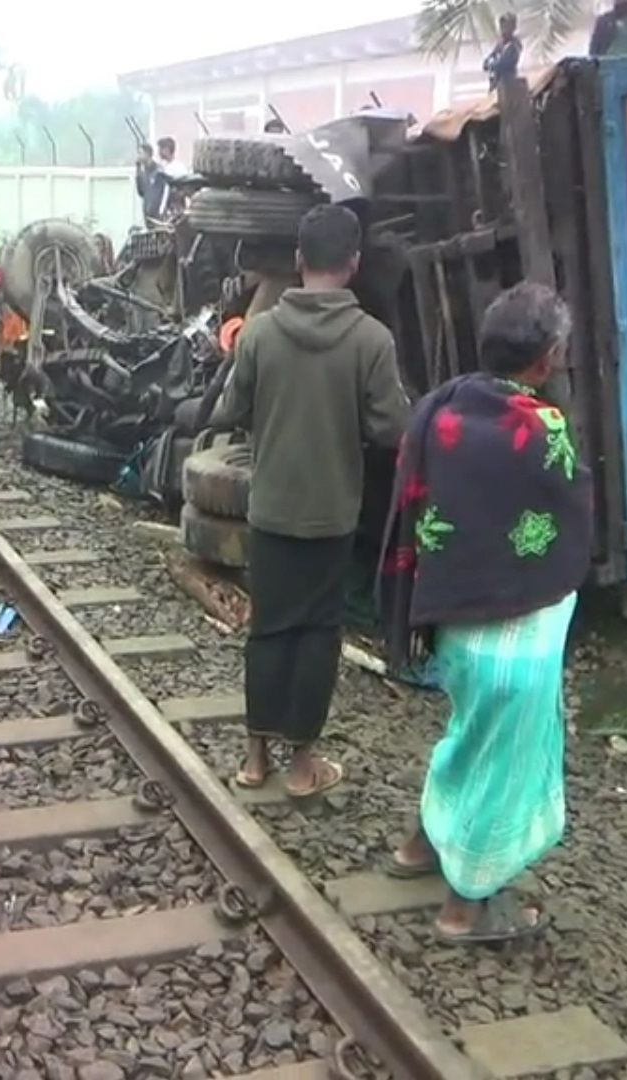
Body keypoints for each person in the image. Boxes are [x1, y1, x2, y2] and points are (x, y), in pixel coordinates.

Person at [377, 282, 591, 943]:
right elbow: (569, 521)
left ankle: (419, 845)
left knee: (469, 733)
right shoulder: (543, 427)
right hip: (516, 633)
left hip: (449, 619)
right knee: (504, 762)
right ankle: (465, 906)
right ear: (547, 358)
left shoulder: (439, 409)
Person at [209, 205, 411, 797]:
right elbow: (392, 428)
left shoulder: (259, 333)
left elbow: (231, 409)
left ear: (299, 260)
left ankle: (254, 760)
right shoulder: (372, 340)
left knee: (268, 627)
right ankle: (302, 767)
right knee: (318, 632)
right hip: (331, 513)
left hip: (271, 507)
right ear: (353, 263)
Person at [483, 13, 521, 91]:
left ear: (513, 28)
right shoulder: (501, 43)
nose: (503, 29)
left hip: (508, 84)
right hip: (498, 83)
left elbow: (502, 64)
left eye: (506, 26)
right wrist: (488, 62)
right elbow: (489, 60)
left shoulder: (513, 45)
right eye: (502, 26)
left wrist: (491, 64)